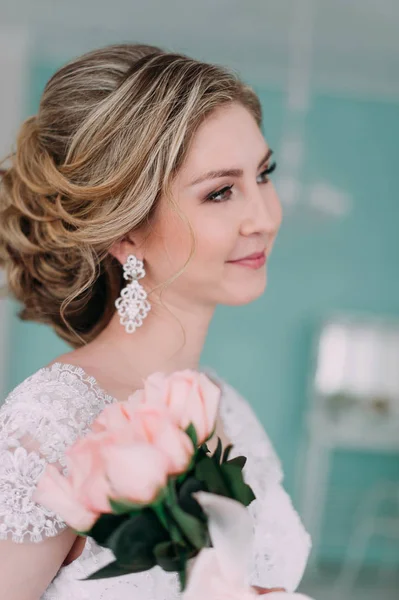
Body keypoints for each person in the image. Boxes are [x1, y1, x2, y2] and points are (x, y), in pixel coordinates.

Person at [0, 43, 311, 599]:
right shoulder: (52, 421)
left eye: (263, 174)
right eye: (220, 192)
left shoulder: (226, 405)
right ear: (125, 229)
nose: (263, 216)